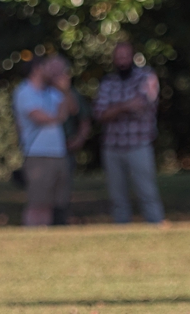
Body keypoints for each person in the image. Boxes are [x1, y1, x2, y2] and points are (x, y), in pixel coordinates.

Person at [12, 53, 91, 227]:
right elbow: (42, 117)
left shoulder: (52, 92)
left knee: (55, 202)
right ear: (37, 69)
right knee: (37, 202)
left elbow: (72, 110)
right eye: (48, 67)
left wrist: (65, 90)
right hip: (38, 154)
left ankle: (47, 238)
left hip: (58, 152)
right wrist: (58, 115)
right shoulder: (24, 91)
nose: (54, 72)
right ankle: (33, 234)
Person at [93, 39, 166, 226]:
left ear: (132, 56)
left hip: (138, 145)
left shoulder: (146, 77)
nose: (122, 61)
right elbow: (101, 113)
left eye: (125, 56)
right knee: (118, 197)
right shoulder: (109, 82)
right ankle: (121, 232)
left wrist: (115, 108)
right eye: (118, 57)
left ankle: (155, 225)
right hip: (113, 147)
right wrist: (126, 106)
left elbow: (142, 104)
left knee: (147, 193)